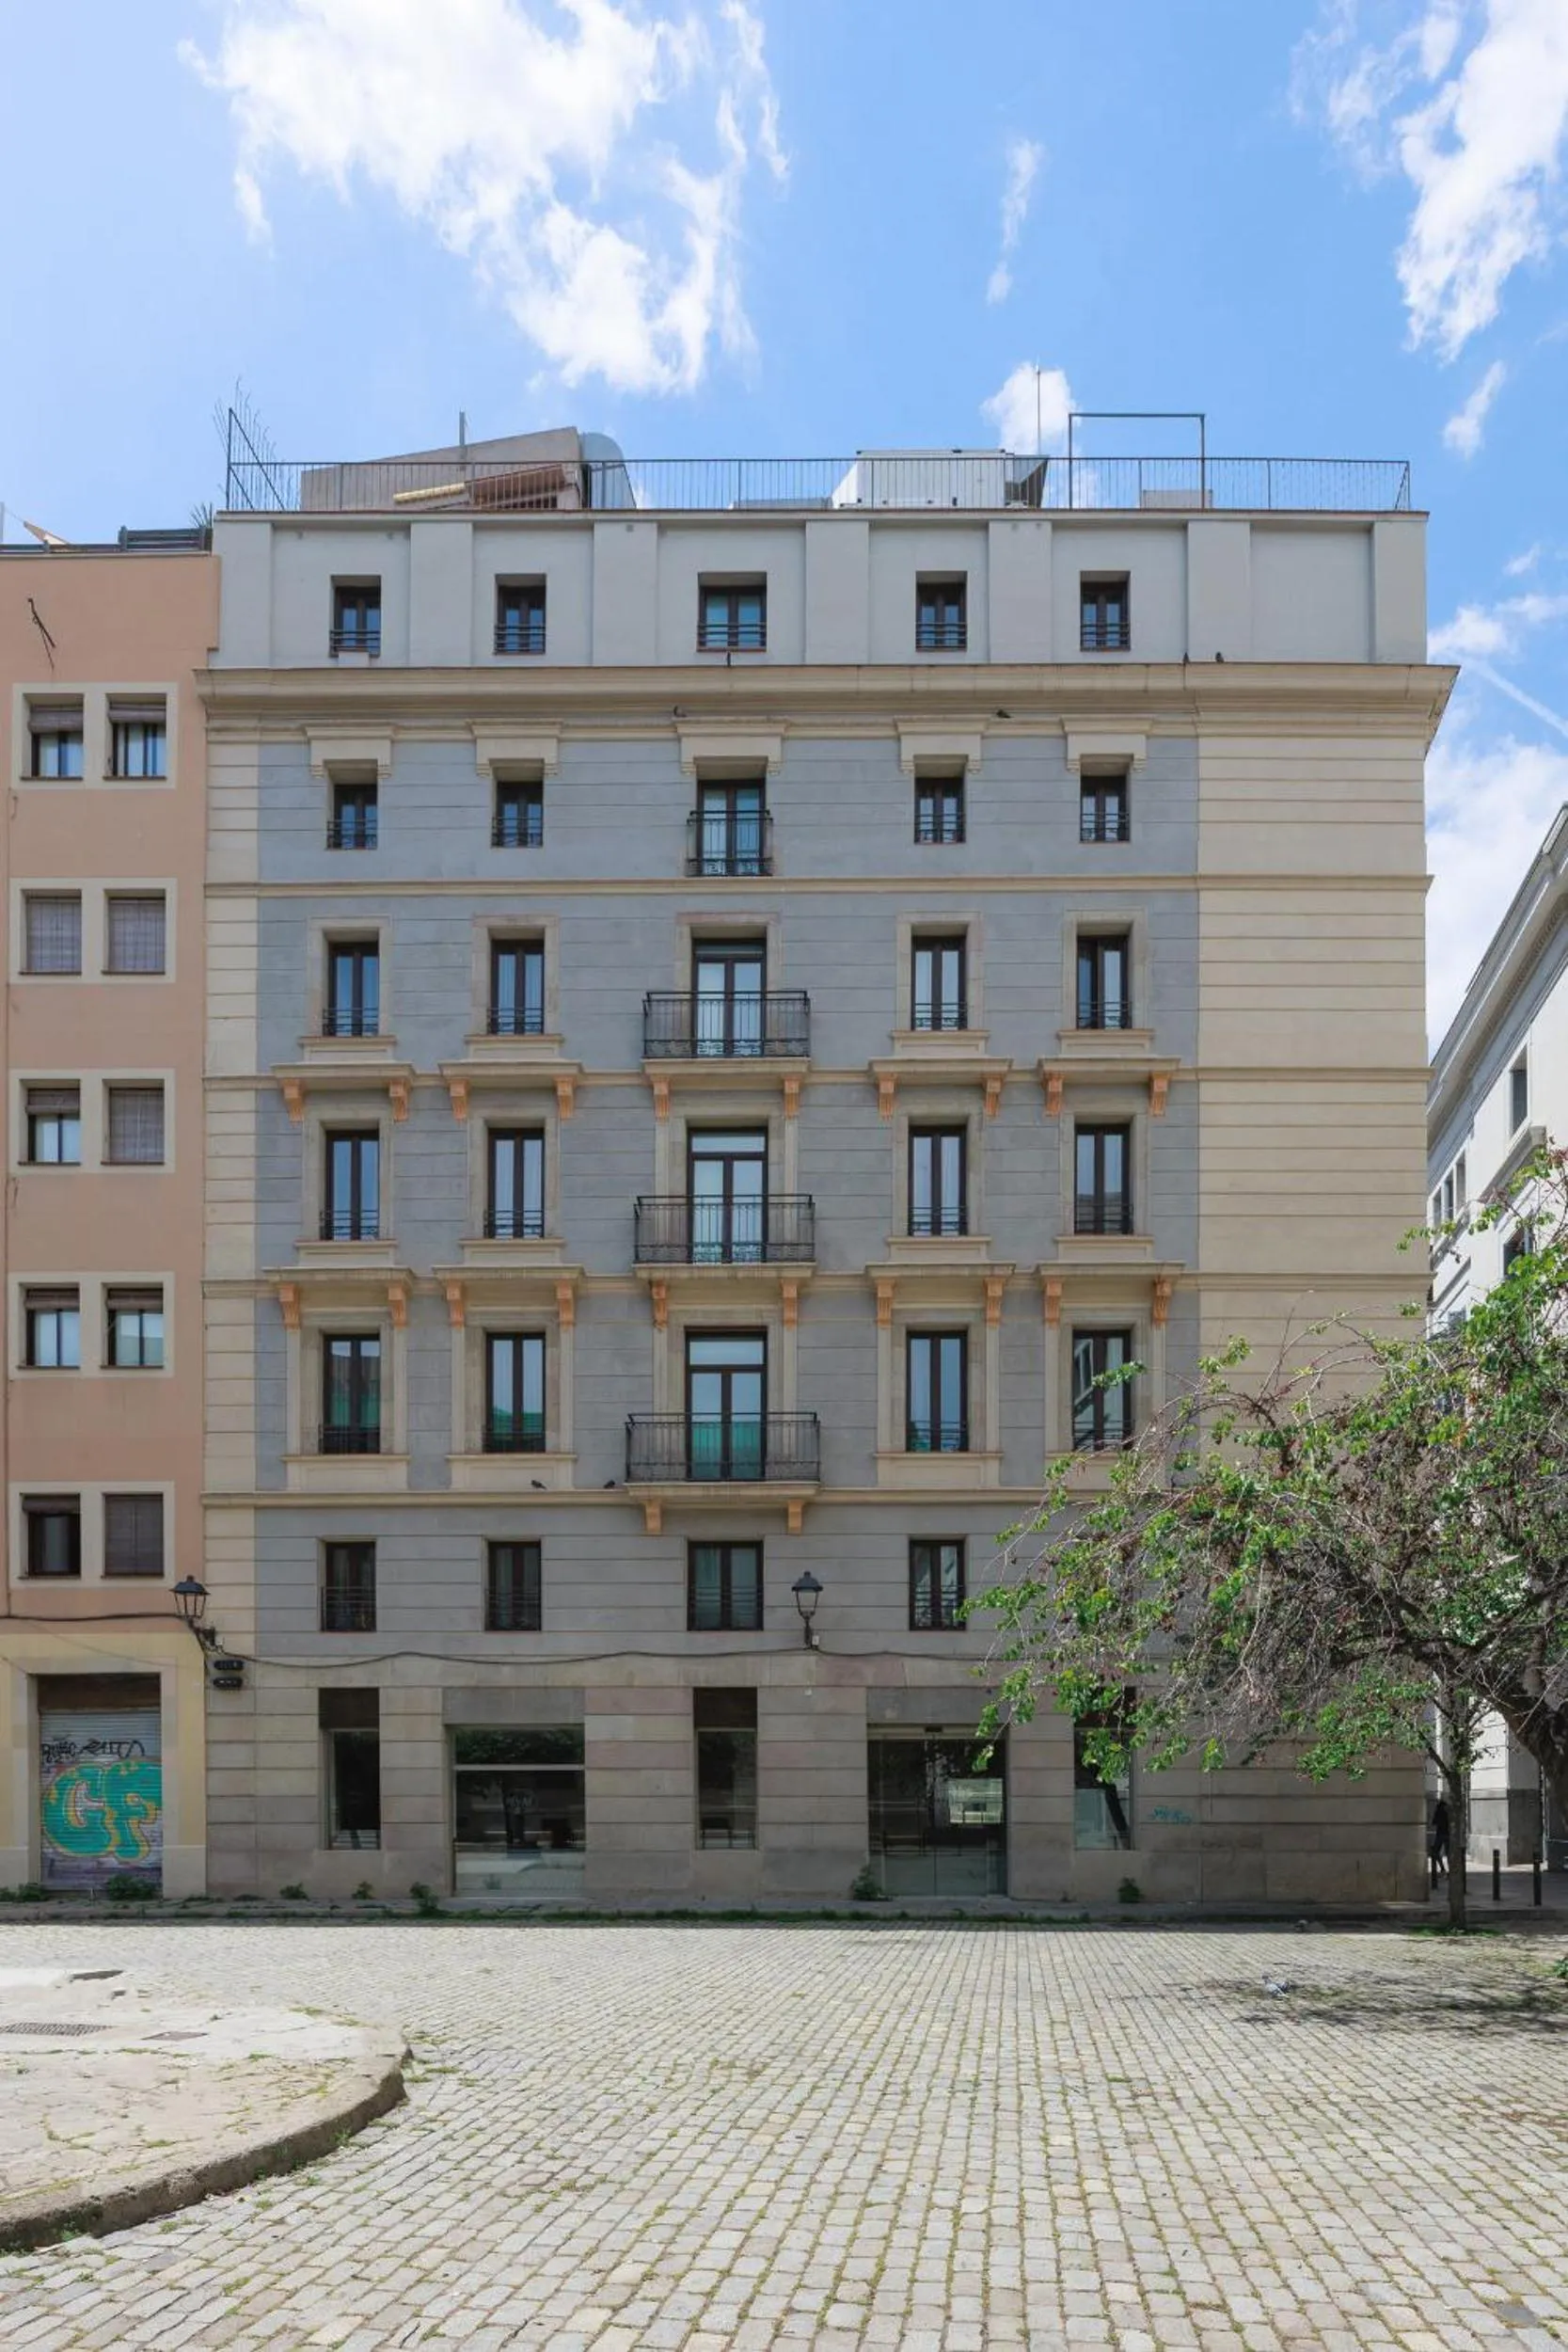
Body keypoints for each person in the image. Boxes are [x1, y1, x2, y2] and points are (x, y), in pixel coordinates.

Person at [1429, 1795, 1451, 1881]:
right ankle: (1450, 1871)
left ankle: (1442, 1868)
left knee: (1435, 1852)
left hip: (1440, 1833)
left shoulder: (1438, 1809)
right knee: (1449, 1853)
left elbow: (1434, 1822)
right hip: (1448, 1833)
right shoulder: (1449, 1810)